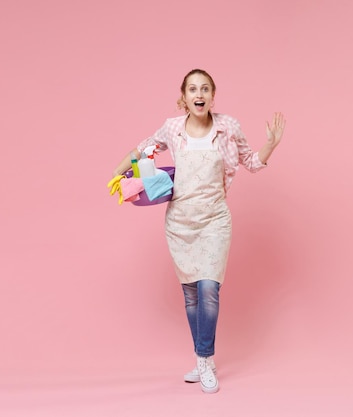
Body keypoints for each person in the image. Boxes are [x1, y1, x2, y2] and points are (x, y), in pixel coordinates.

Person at [111, 69, 285, 394]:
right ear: (184, 98)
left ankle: (204, 358)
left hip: (215, 219)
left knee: (208, 289)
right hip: (180, 222)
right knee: (190, 293)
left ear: (212, 96)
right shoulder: (173, 127)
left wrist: (271, 145)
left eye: (204, 88)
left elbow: (251, 161)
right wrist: (117, 174)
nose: (199, 94)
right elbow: (142, 150)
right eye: (192, 89)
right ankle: (202, 358)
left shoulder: (227, 126)